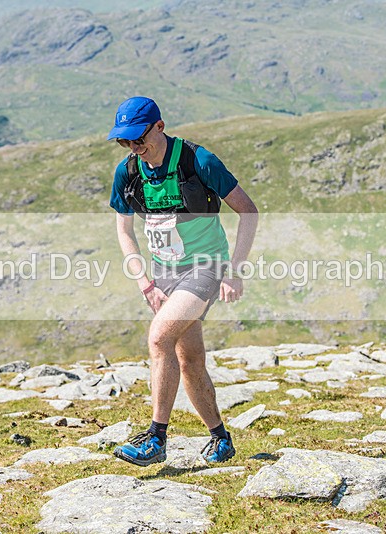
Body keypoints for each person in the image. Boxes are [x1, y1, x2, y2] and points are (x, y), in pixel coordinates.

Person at [106, 96, 258, 466]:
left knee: (160, 338)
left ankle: (156, 438)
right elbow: (124, 231)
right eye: (124, 141)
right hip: (164, 274)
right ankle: (220, 438)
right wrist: (144, 282)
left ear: (159, 126)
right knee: (189, 359)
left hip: (206, 266)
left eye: (138, 138)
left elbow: (248, 211)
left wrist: (234, 270)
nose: (133, 146)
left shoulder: (198, 160)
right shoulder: (128, 172)